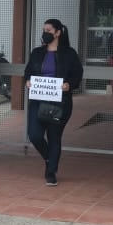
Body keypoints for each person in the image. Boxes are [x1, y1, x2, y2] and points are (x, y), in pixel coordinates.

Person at [24, 19, 84, 186]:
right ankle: (50, 159)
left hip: (59, 102)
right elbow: (28, 71)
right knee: (35, 135)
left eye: (49, 30)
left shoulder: (69, 53)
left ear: (58, 33)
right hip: (38, 99)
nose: (45, 33)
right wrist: (28, 81)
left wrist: (69, 85)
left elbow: (77, 74)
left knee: (54, 136)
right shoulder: (37, 52)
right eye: (44, 30)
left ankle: (51, 172)